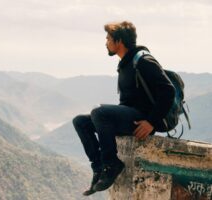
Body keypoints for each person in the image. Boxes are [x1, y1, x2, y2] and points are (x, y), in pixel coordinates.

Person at [72, 21, 175, 196]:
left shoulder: (143, 60)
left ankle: (112, 164)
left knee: (99, 112)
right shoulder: (125, 64)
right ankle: (98, 169)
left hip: (142, 120)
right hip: (130, 116)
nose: (106, 43)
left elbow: (168, 90)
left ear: (118, 41)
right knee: (81, 122)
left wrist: (151, 122)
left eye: (108, 38)